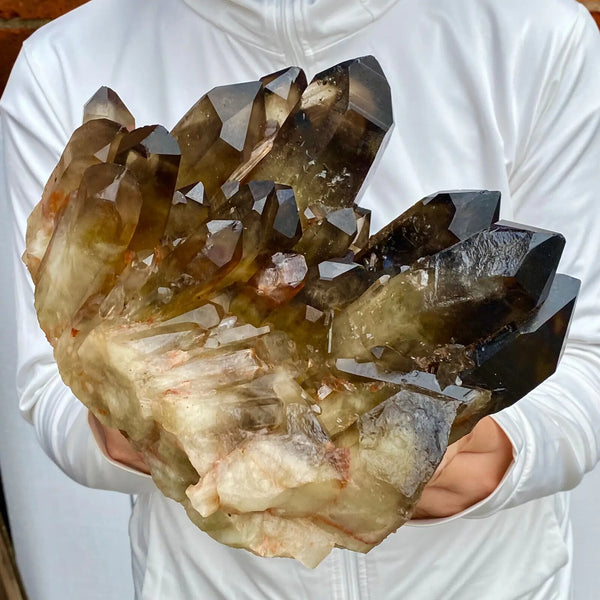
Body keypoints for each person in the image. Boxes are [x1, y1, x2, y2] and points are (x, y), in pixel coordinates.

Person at [2, 0, 600, 597]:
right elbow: (42, 391)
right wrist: (119, 419)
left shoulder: (537, 36)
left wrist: (492, 455)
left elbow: (587, 359)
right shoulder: (63, 59)